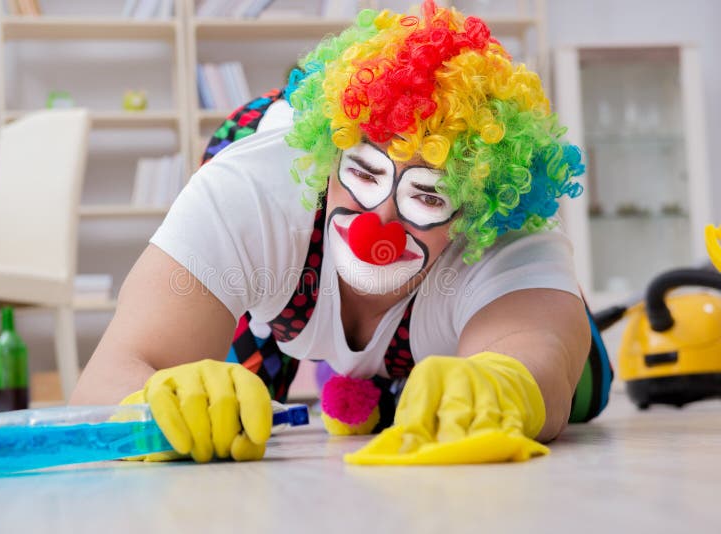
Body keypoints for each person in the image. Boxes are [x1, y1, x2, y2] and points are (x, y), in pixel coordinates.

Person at [71, 0, 612, 464]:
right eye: (363, 174)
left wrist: (506, 382)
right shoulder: (250, 194)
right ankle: (352, 380)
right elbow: (108, 376)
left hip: (452, 320)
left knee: (581, 387)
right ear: (328, 157)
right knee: (215, 407)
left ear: (474, 210)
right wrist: (147, 401)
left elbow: (535, 354)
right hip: (282, 295)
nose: (380, 224)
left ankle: (370, 382)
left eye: (427, 196)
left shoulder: (507, 230)